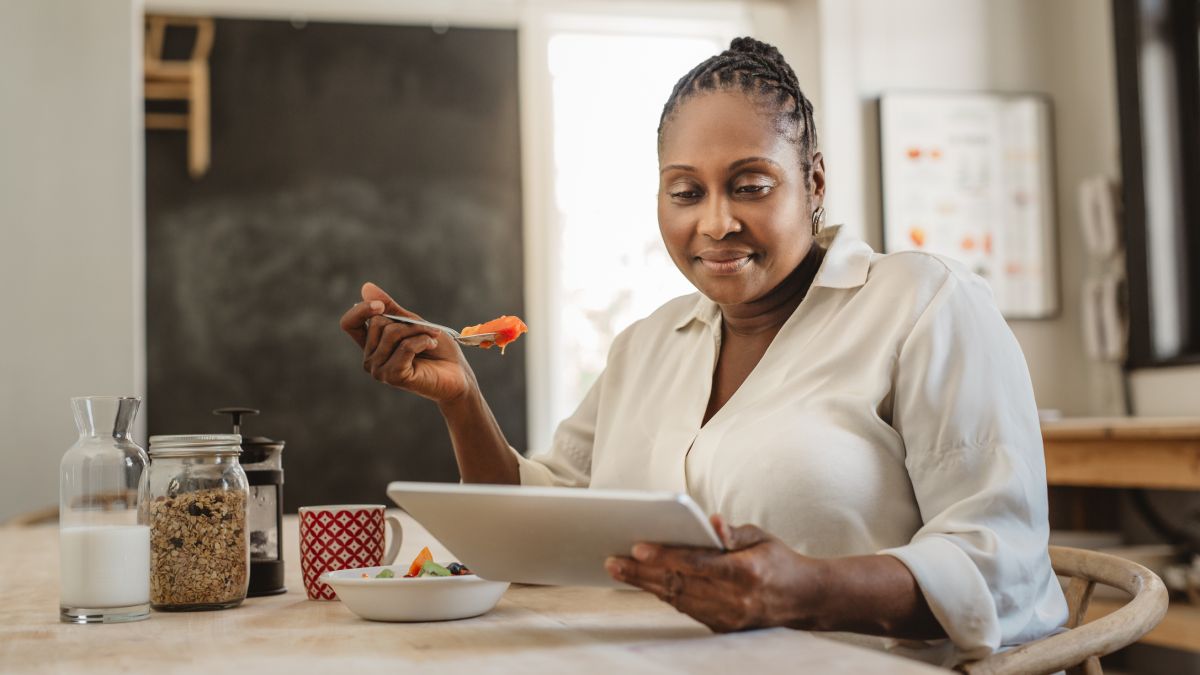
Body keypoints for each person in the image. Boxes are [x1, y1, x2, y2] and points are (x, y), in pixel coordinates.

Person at [339, 37, 1067, 667]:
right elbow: (536, 532)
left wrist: (806, 588)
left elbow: (1000, 565)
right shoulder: (646, 346)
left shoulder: (922, 303)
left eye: (750, 185)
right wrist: (464, 398)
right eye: (685, 192)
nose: (716, 222)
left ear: (813, 181)